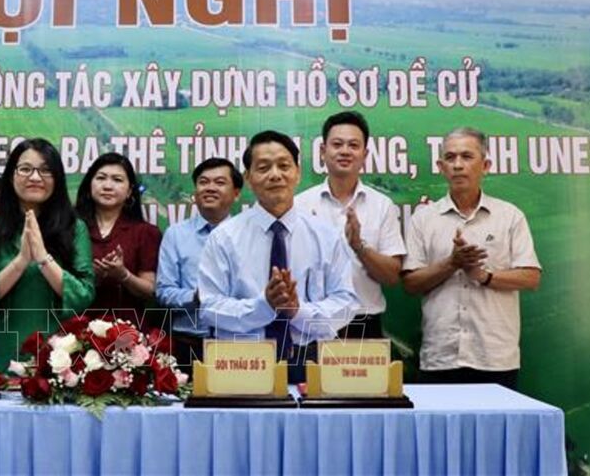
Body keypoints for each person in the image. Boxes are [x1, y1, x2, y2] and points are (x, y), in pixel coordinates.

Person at [199, 130, 358, 383]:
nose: (275, 175)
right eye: (263, 168)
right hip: (242, 363)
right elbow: (209, 308)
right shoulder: (224, 238)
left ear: (298, 173)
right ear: (248, 178)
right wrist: (264, 306)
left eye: (284, 166)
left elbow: (346, 303)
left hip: (312, 360)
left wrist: (297, 311)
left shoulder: (326, 236)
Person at [402, 127, 541, 389]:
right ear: (441, 167)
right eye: (450, 158)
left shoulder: (510, 216)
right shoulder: (423, 219)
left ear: (485, 165)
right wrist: (452, 263)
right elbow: (410, 283)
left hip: (495, 359)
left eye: (467, 157)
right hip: (440, 358)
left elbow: (531, 277)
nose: (458, 165)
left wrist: (483, 276)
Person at [0, 139, 95, 370]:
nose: (35, 177)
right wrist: (21, 261)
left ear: (57, 178)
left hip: (60, 356)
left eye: (45, 170)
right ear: (11, 176)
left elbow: (83, 295)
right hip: (3, 351)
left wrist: (43, 258)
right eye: (25, 169)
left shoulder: (75, 229)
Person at [295, 111, 406, 339]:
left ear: (365, 154)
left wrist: (359, 246)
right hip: (313, 320)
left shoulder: (382, 205)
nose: (345, 151)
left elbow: (392, 277)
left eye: (353, 145)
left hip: (364, 322)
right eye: (337, 144)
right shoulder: (300, 205)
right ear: (323, 151)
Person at [156, 157, 242, 371]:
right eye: (204, 182)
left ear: (236, 193)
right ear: (195, 193)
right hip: (187, 343)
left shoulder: (248, 235)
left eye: (220, 182)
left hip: (236, 344)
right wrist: (195, 297)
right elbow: (164, 292)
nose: (210, 188)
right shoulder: (175, 235)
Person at [75, 152, 162, 330]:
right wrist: (92, 277)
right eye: (101, 178)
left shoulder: (145, 232)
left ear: (129, 191)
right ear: (90, 185)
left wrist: (123, 275)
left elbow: (150, 291)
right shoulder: (71, 229)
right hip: (76, 328)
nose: (108, 186)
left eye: (117, 180)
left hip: (128, 331)